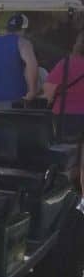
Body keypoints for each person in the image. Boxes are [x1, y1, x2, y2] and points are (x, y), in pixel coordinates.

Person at [44, 30, 84, 195]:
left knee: (63, 152)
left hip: (63, 116)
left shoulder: (66, 63)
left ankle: (63, 190)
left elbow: (48, 91)